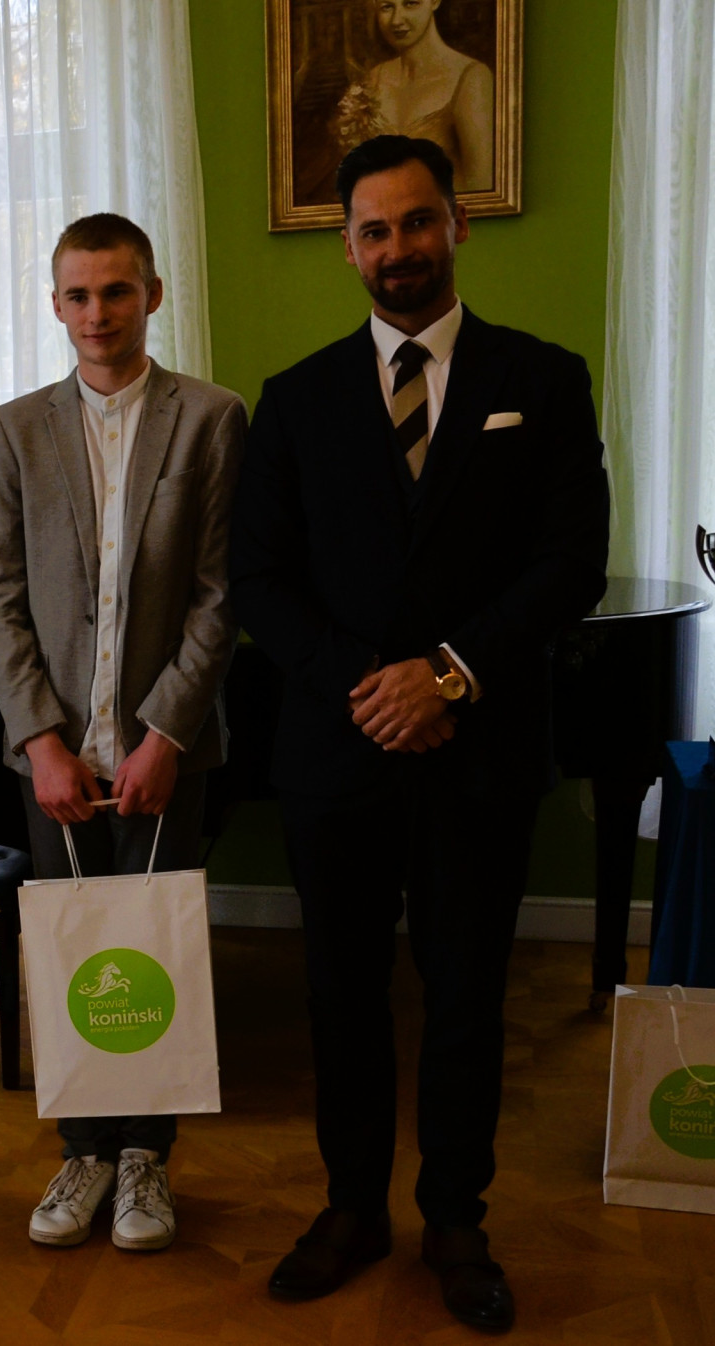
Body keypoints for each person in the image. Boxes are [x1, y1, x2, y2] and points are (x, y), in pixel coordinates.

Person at [231, 135, 608, 1332]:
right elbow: (258, 579)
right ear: (347, 247)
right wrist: (374, 686)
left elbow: (572, 563)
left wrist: (447, 676)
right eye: (374, 229)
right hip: (337, 750)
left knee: (466, 997)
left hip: (478, 750)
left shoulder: (544, 379)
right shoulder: (293, 399)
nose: (398, 246)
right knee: (340, 995)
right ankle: (352, 1206)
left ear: (458, 224)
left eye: (417, 221)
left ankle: (456, 1216)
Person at [0, 214, 247, 1254]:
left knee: (154, 955)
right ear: (56, 303)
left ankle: (146, 1157)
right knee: (72, 955)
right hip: (55, 757)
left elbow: (220, 595)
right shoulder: (15, 428)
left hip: (163, 752)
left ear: (152, 295)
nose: (98, 313)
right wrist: (39, 739)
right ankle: (83, 1149)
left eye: (117, 291)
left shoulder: (212, 418)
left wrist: (167, 732)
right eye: (79, 295)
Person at [333, 0, 495, 193]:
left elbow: (481, 184)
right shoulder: (373, 80)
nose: (396, 20)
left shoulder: (470, 78)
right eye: (387, 7)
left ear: (434, 2)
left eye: (410, 4)